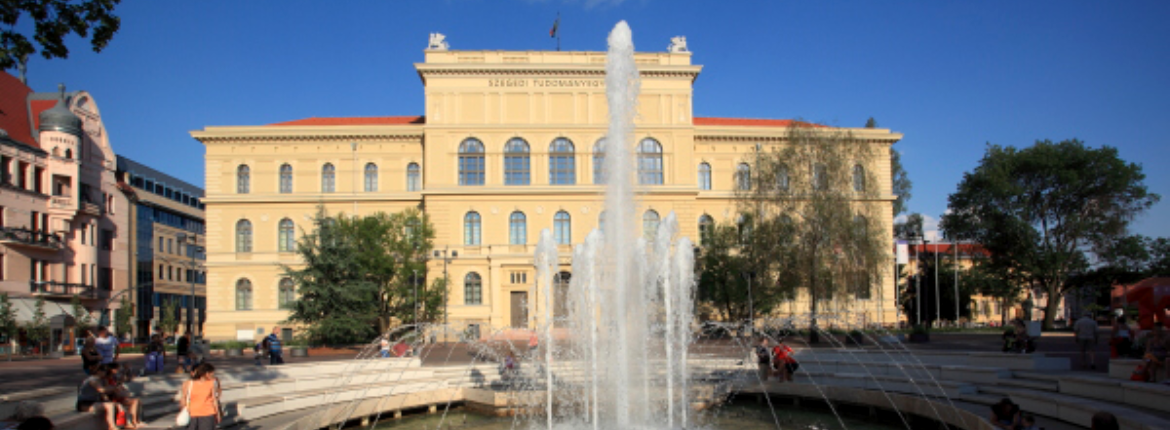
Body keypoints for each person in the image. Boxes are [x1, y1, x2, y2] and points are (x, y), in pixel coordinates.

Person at [76, 364, 127, 430]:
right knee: (109, 406)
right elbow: (101, 390)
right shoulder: (92, 380)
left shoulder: (101, 380)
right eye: (104, 371)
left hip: (94, 402)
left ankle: (122, 424)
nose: (105, 373)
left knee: (117, 404)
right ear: (99, 371)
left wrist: (116, 388)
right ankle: (112, 427)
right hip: (84, 404)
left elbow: (106, 392)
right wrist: (114, 388)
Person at [179, 363, 222, 430]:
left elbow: (214, 399)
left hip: (207, 413)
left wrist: (217, 413)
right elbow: (183, 398)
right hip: (192, 414)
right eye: (212, 373)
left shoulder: (212, 382)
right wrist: (183, 410)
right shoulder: (189, 383)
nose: (213, 375)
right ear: (207, 373)